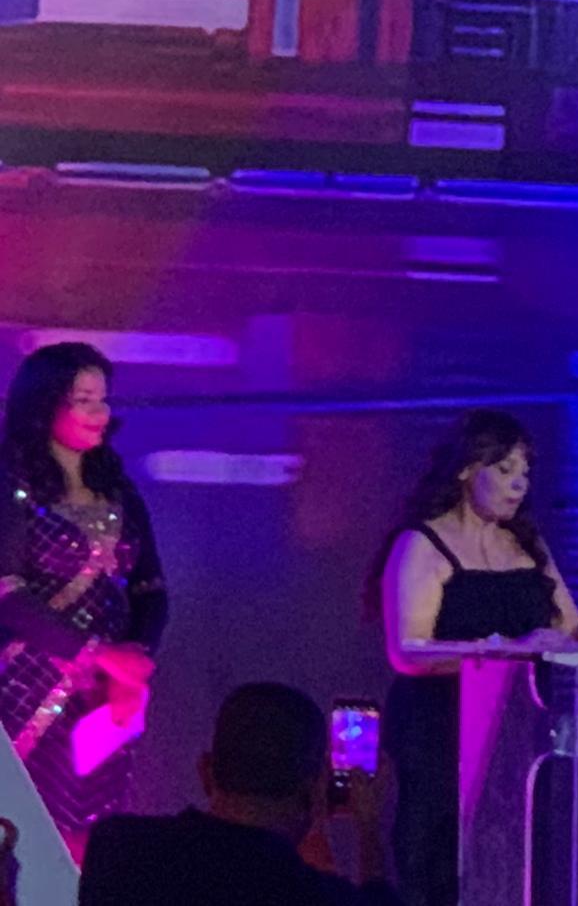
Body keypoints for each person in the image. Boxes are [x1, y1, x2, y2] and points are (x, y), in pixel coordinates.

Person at [366, 409, 578, 906]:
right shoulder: (422, 544)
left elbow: (571, 627)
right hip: (442, 735)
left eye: (525, 472)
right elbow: (407, 652)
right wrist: (507, 652)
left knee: (525, 864)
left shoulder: (528, 545)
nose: (519, 484)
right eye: (505, 470)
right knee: (443, 868)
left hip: (520, 735)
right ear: (467, 469)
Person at [0, 342, 167, 859]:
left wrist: (135, 658)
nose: (100, 412)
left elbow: (151, 589)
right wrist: (97, 653)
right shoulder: (12, 488)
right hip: (25, 687)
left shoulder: (119, 490)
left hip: (103, 695)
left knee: (94, 828)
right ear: (45, 404)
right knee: (25, 827)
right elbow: (7, 594)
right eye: (84, 400)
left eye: (103, 399)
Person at [78, 682, 401, 906]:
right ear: (316, 787)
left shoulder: (116, 847)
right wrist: (368, 829)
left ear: (206, 771)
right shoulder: (311, 894)